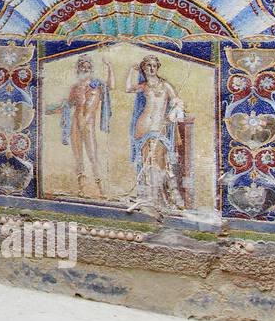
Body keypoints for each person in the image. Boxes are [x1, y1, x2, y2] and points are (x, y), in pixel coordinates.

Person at [124, 54, 186, 215]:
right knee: (145, 162)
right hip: (143, 126)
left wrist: (175, 110)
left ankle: (159, 198)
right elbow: (128, 88)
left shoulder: (165, 85)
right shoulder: (144, 86)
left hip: (159, 126)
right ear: (144, 68)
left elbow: (177, 101)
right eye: (148, 66)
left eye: (154, 65)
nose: (151, 68)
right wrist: (131, 70)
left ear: (158, 67)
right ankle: (147, 197)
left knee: (159, 162)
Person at [46, 56, 113, 197]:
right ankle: (82, 189)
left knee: (93, 156)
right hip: (76, 123)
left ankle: (101, 190)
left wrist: (109, 67)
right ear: (78, 69)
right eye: (83, 67)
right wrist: (50, 110)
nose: (85, 69)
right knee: (79, 157)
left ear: (91, 70)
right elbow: (68, 105)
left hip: (88, 124)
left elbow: (111, 86)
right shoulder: (75, 88)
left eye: (88, 67)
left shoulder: (97, 85)